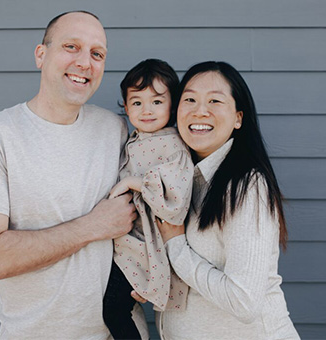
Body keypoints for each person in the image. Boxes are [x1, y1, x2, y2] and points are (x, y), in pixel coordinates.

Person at [0, 11, 149, 339]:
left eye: (97, 53)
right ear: (41, 55)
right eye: (71, 47)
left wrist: (153, 271)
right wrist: (93, 226)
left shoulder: (114, 128)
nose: (85, 62)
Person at [155, 61, 300, 339]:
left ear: (238, 118)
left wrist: (176, 245)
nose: (200, 110)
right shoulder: (183, 180)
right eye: (190, 99)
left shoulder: (247, 186)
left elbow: (243, 302)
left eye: (215, 100)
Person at [102, 59, 193, 339]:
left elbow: (176, 196)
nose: (147, 110)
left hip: (146, 243)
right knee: (111, 303)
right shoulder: (136, 138)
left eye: (156, 102)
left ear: (173, 106)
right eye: (137, 103)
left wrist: (133, 182)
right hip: (127, 236)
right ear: (126, 107)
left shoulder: (173, 144)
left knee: (113, 308)